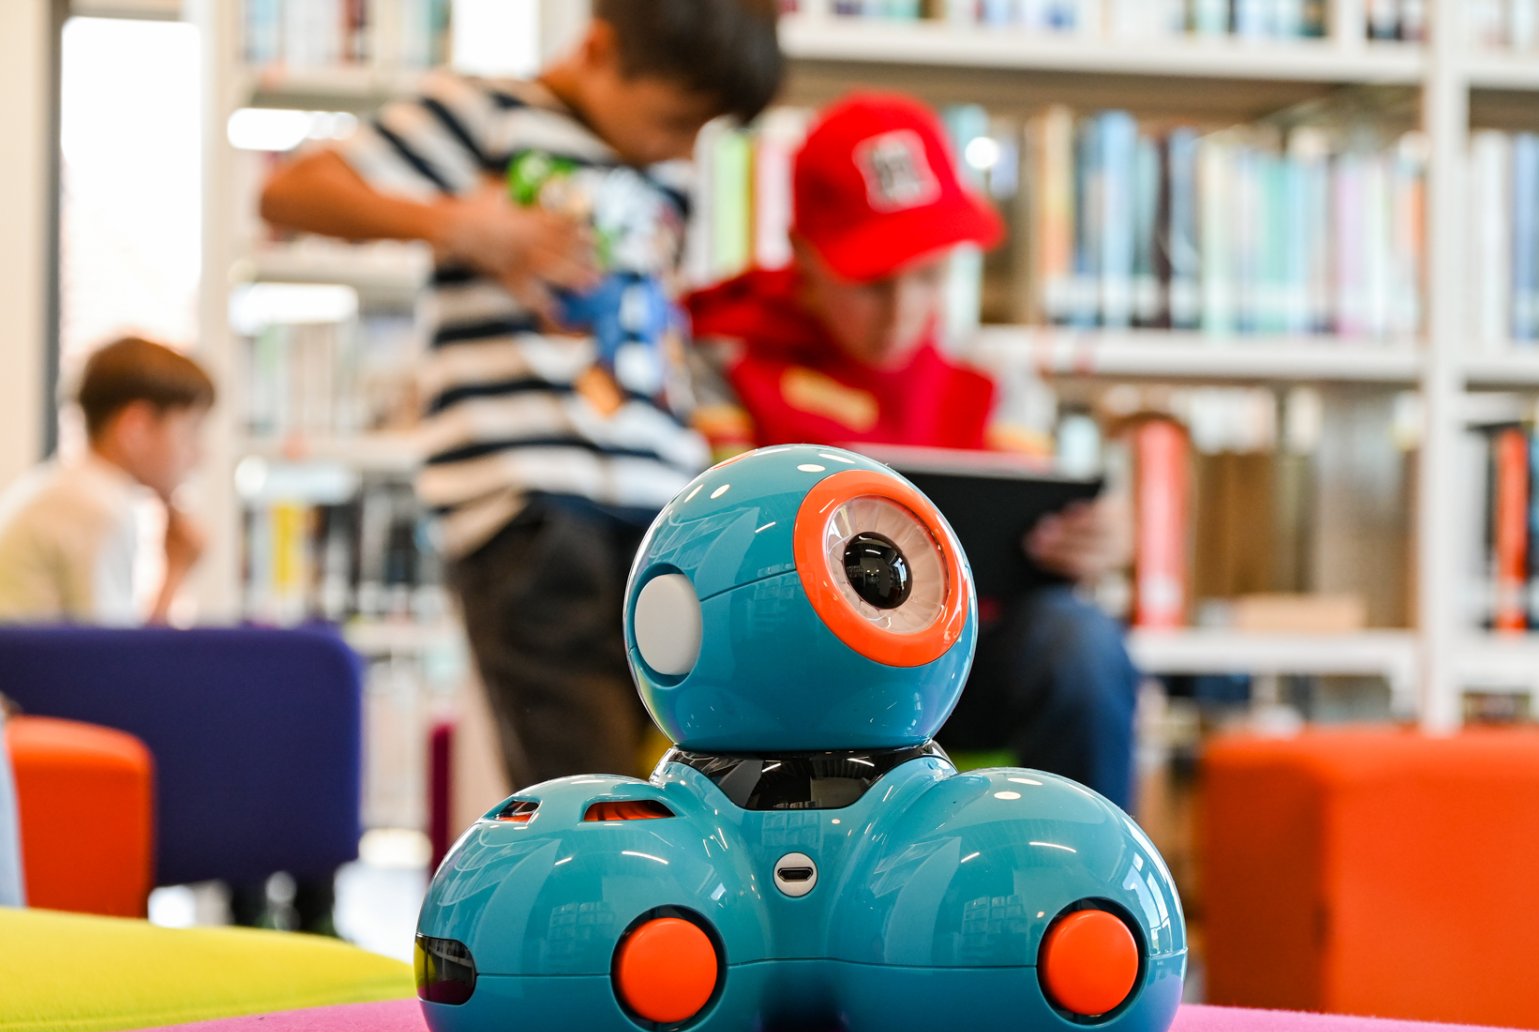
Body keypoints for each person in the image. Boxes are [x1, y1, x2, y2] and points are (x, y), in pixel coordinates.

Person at [258, 0, 784, 792]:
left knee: (697, 771)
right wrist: (462, 225)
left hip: (663, 513)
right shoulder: (486, 113)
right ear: (599, 48)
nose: (684, 149)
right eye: (675, 121)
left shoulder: (667, 175)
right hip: (531, 502)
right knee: (589, 782)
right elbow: (295, 192)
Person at [686, 93, 1141, 809]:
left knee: (1078, 638)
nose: (902, 310)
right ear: (804, 255)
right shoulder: (727, 363)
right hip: (793, 671)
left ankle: (1095, 867)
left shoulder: (994, 388)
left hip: (961, 666)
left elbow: (1030, 555)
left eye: (929, 275)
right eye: (871, 283)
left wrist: (1092, 544)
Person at [0, 336, 212, 626]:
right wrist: (175, 570)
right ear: (136, 429)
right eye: (191, 431)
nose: (199, 455)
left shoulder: (64, 486)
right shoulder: (94, 507)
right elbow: (113, 652)